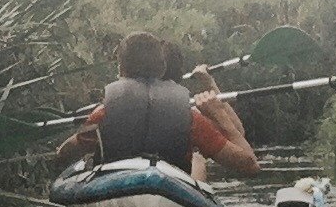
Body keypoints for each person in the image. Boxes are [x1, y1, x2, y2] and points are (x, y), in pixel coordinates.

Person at [57, 34, 259, 179]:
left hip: (116, 187)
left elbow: (64, 153)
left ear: (120, 69)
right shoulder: (190, 119)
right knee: (198, 160)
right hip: (172, 187)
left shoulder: (103, 114)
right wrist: (221, 115)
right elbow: (249, 165)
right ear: (161, 69)